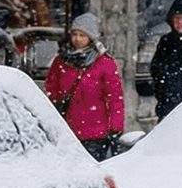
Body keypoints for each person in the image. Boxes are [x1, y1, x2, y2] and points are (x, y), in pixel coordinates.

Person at [45, 12, 125, 161]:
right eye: (75, 34)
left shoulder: (105, 63)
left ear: (91, 38)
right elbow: (51, 89)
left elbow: (115, 98)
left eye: (82, 35)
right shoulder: (61, 60)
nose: (77, 39)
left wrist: (115, 127)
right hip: (66, 130)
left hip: (95, 133)